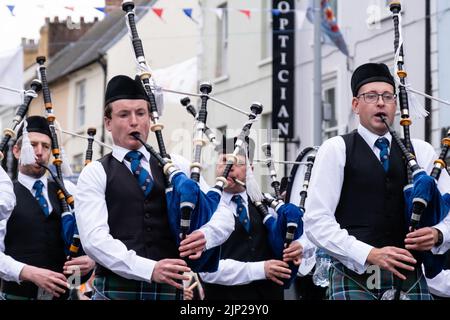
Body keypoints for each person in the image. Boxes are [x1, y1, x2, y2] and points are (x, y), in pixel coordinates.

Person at [304, 63, 450, 300]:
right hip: (354, 274)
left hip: (409, 276)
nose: (380, 102)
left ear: (396, 104)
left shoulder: (421, 151)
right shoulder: (337, 149)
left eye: (387, 96)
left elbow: (448, 207)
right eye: (370, 96)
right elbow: (316, 220)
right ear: (356, 105)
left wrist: (438, 234)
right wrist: (368, 253)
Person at [75, 75, 215, 300]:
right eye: (124, 114)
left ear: (150, 119)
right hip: (116, 291)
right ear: (108, 122)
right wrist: (149, 269)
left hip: (171, 291)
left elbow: (220, 212)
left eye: (141, 113)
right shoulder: (95, 172)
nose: (134, 122)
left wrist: (206, 235)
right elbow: (94, 240)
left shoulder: (176, 166)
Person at [199, 137, 307, 300]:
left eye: (237, 163)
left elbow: (308, 233)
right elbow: (205, 271)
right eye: (224, 161)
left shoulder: (269, 205)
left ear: (251, 169)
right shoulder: (205, 207)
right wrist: (260, 269)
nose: (229, 168)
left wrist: (300, 246)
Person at [0, 116, 95, 300]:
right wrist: (28, 272)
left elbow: (91, 240)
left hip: (66, 295)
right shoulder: (5, 196)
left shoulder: (69, 193)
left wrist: (91, 260)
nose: (39, 152)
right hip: (18, 296)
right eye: (33, 145)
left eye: (46, 146)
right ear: (17, 151)